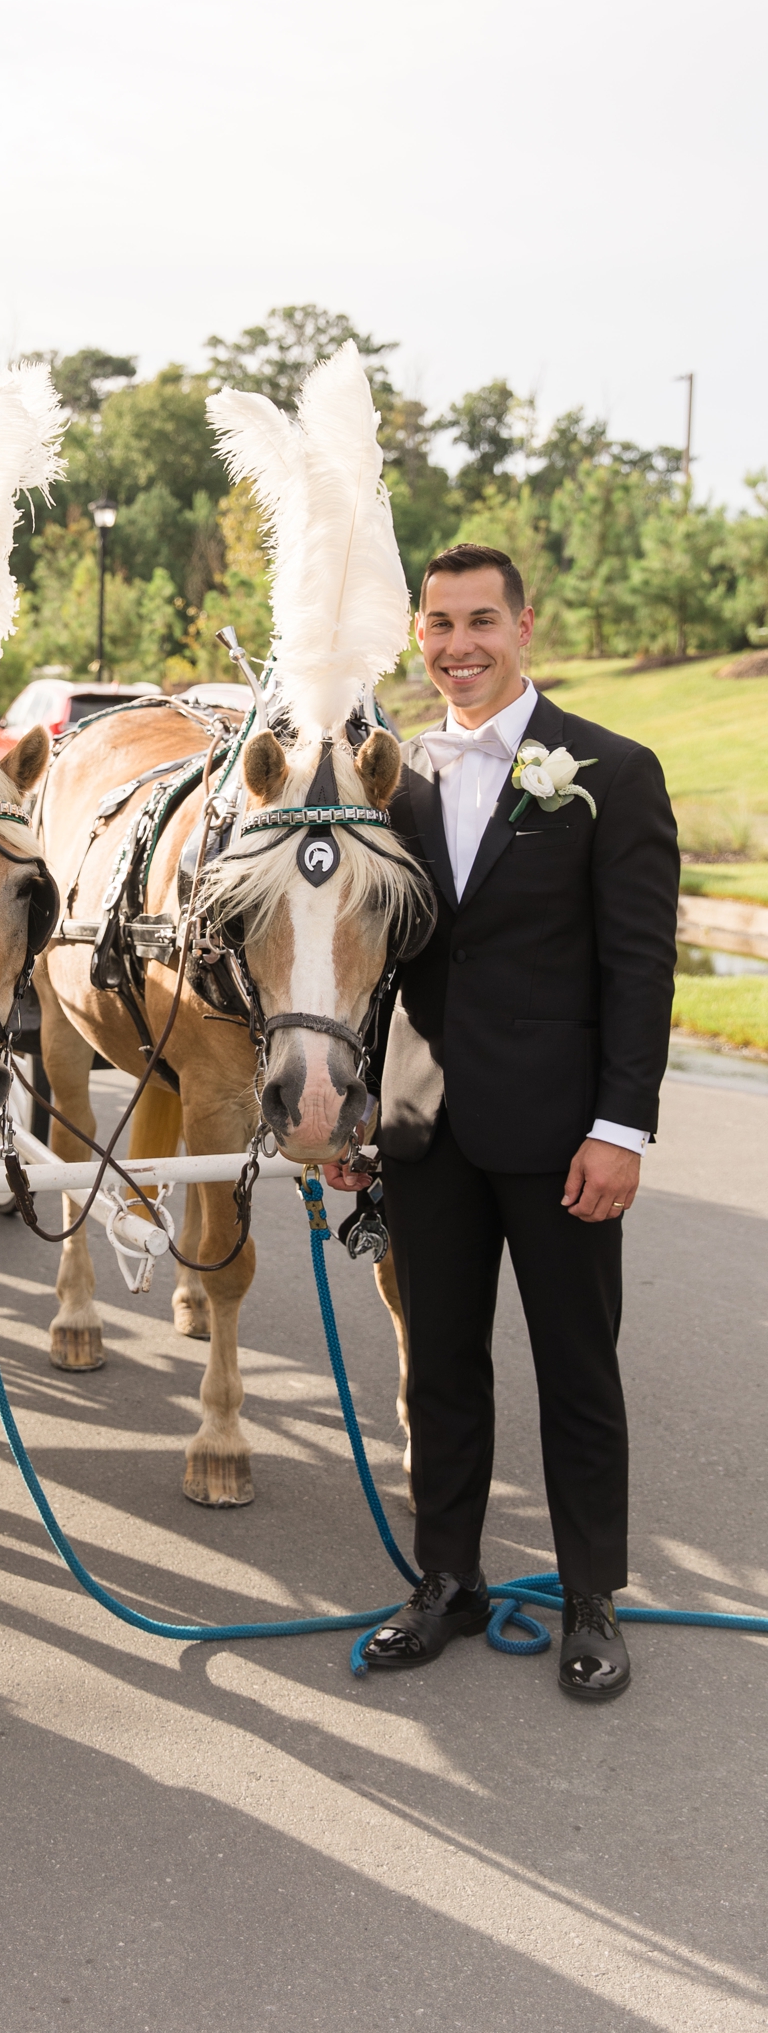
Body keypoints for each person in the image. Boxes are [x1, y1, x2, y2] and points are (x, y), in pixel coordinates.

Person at [325, 544, 678, 1701]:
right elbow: (371, 963)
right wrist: (354, 1107)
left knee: (578, 1370)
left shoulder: (612, 774)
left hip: (563, 1132)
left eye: (482, 620)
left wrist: (621, 1129)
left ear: (527, 626)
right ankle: (448, 1581)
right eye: (439, 623)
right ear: (417, 635)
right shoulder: (395, 776)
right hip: (425, 1126)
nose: (458, 645)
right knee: (441, 1370)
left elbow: (639, 970)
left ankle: (590, 1598)